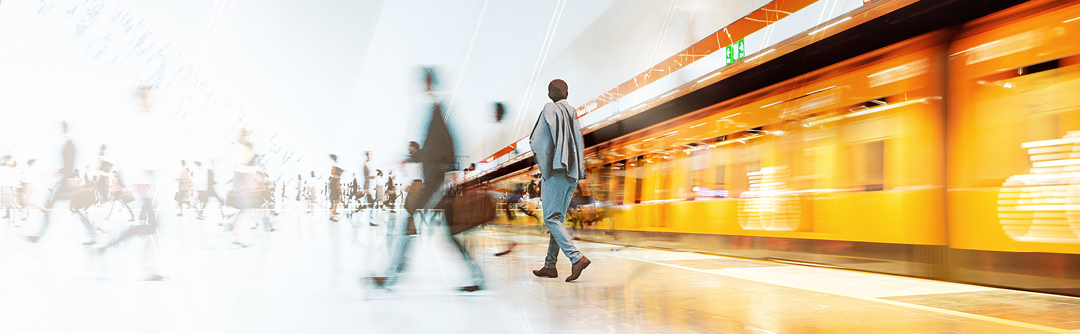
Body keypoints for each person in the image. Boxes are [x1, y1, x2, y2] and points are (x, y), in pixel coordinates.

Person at [369, 68, 485, 292]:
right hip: (438, 180)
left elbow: (442, 148)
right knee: (448, 233)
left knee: (409, 220)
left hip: (436, 181)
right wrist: (411, 159)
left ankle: (393, 273)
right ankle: (476, 276)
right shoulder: (436, 109)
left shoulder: (437, 109)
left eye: (425, 82)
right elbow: (438, 148)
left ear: (429, 83)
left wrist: (442, 174)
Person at [529, 79, 591, 282]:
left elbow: (537, 140)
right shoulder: (573, 112)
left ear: (549, 94)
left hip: (556, 171)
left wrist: (546, 165)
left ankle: (576, 258)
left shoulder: (549, 108)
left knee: (551, 218)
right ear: (567, 93)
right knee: (558, 219)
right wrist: (579, 170)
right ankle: (550, 266)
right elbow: (579, 142)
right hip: (572, 173)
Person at [328, 154, 343, 221]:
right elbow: (332, 173)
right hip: (333, 183)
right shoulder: (334, 165)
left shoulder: (335, 164)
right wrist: (338, 177)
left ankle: (334, 212)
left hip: (335, 183)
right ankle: (332, 215)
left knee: (336, 199)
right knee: (335, 199)